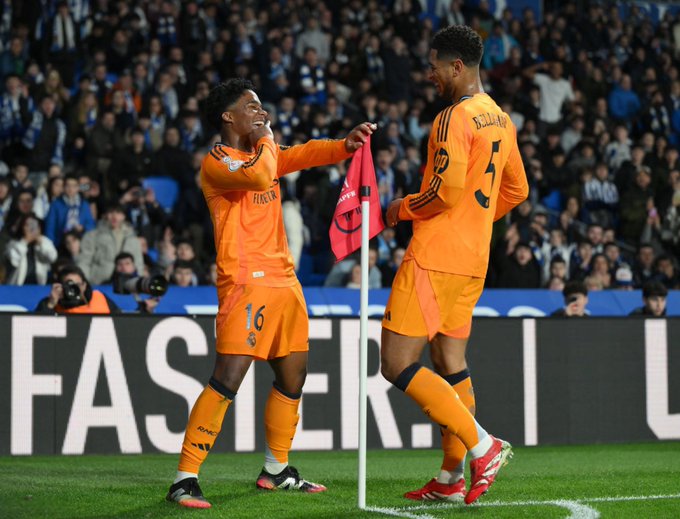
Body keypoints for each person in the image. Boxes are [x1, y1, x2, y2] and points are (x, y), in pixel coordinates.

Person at [166, 78, 376, 509]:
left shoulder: (265, 152)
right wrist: (266, 139)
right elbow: (263, 172)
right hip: (245, 281)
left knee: (293, 376)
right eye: (251, 107)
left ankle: (276, 469)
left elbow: (303, 154)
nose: (261, 112)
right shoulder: (217, 161)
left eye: (261, 106)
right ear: (228, 117)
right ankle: (184, 479)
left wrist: (344, 145)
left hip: (285, 281)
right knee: (228, 378)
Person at [380, 25, 528, 506]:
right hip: (473, 261)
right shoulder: (501, 118)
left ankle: (483, 447)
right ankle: (450, 478)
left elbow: (442, 193)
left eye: (435, 66)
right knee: (450, 364)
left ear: (457, 66)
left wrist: (400, 208)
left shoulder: (453, 117)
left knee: (396, 363)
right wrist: (474, 220)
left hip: (435, 257)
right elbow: (517, 190)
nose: (431, 74)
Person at [77, 204, 144, 285]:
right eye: (111, 212)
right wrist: (86, 282)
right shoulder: (92, 236)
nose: (114, 216)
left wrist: (138, 283)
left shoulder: (132, 237)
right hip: (99, 283)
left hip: (127, 284)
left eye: (118, 212)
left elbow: (138, 263)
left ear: (123, 216)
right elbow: (84, 261)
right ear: (105, 215)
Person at [35, 264, 121, 314]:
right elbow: (39, 327)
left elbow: (119, 321)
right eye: (69, 285)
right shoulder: (50, 303)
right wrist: (51, 304)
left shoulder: (100, 298)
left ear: (84, 285)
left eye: (77, 285)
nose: (74, 289)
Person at [4, 213, 58, 285]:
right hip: (17, 286)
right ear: (22, 227)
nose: (31, 228)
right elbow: (14, 261)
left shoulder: (44, 241)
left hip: (39, 285)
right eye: (28, 225)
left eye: (34, 225)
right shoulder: (13, 244)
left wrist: (41, 242)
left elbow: (52, 257)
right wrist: (25, 241)